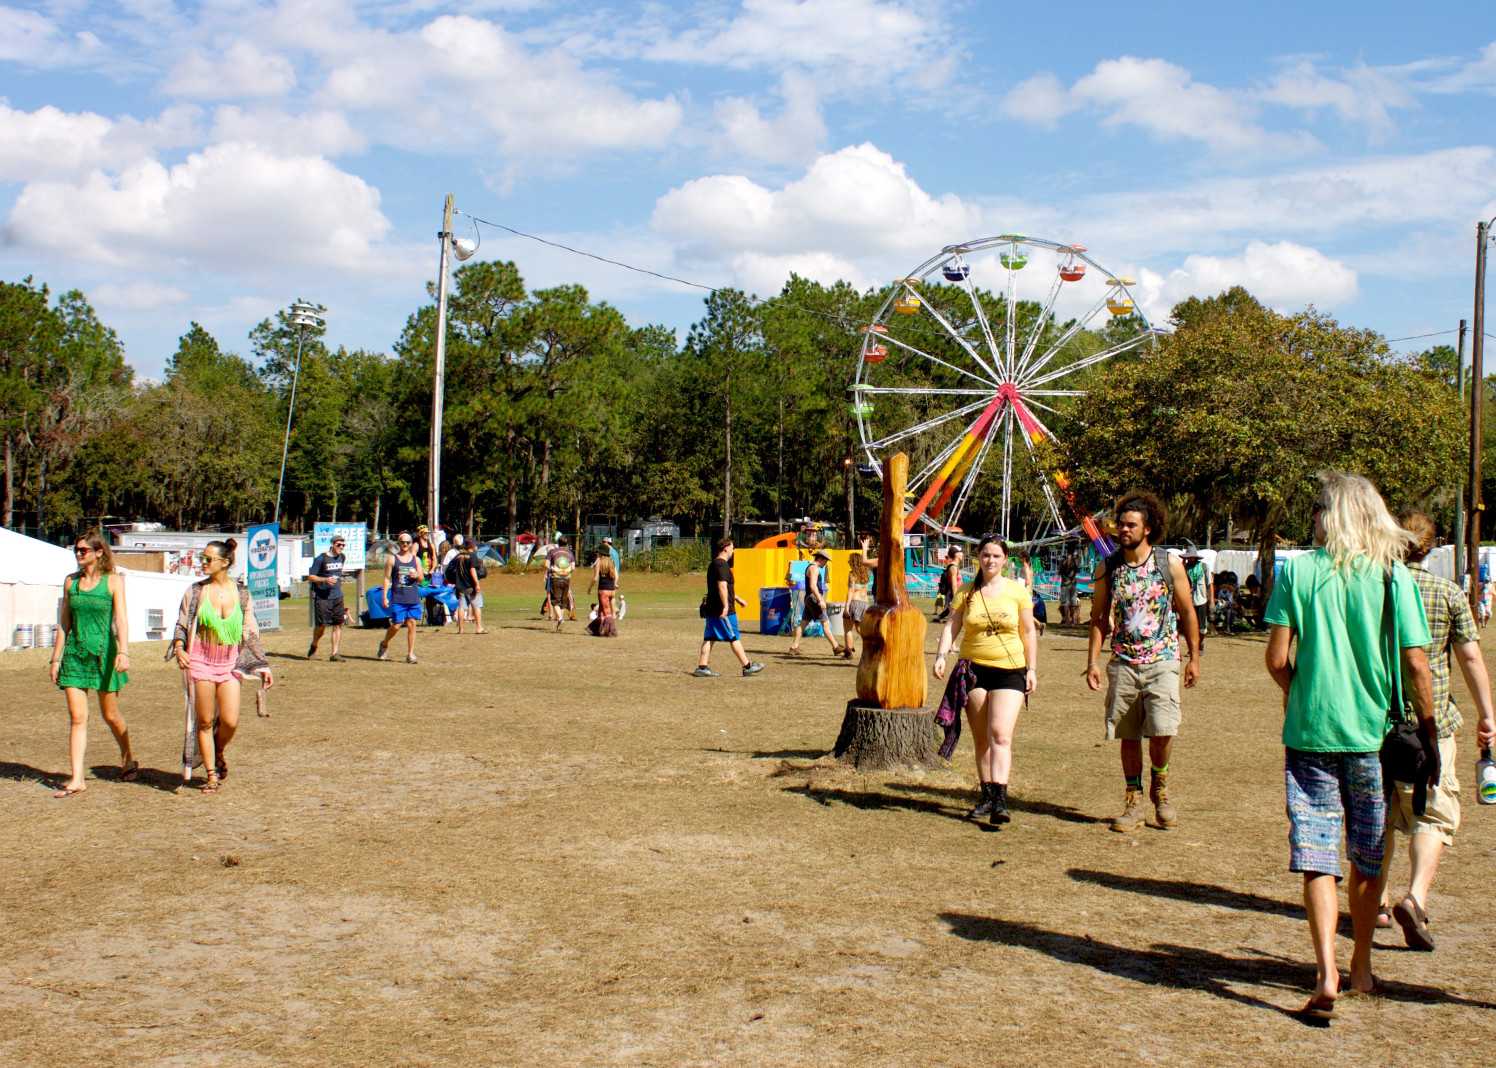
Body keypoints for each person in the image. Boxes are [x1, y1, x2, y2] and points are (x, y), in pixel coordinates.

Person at [1263, 472, 1435, 1019]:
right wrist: (1427, 726)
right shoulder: (1393, 577)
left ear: (1330, 515)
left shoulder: (1299, 571)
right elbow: (1415, 663)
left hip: (1310, 731)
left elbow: (1275, 658)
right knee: (1367, 854)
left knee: (1316, 854)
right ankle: (1360, 964)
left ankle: (1324, 970)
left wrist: (1302, 692)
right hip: (1374, 736)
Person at [1376, 512, 1496, 951]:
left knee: (1381, 817)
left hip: (1377, 722)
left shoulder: (1373, 590)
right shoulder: (1447, 592)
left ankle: (1380, 903)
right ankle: (1416, 897)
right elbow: (1469, 659)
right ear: (1429, 547)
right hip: (1432, 723)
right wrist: (1488, 715)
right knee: (1434, 814)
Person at [1086, 491, 1201, 832]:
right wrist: (1092, 661)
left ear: (1147, 529)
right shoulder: (1108, 567)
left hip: (1163, 660)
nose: (1123, 529)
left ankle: (1160, 789)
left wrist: (1194, 657)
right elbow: (1098, 617)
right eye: (1120, 524)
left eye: (1130, 525)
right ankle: (1133, 800)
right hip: (1123, 662)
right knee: (1128, 734)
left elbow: (1187, 611)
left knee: (1163, 731)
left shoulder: (1169, 563)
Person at [934, 535, 1038, 826]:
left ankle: (1001, 800)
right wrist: (942, 655)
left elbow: (1028, 631)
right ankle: (986, 794)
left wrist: (1031, 669)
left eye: (995, 556)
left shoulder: (1017, 591)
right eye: (985, 555)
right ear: (977, 558)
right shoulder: (967, 592)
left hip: (1010, 669)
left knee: (1000, 734)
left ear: (1005, 560)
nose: (990, 560)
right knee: (982, 739)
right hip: (973, 670)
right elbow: (952, 625)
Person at [169, 539, 273, 794]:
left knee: (230, 721)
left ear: (225, 563)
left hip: (229, 663)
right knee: (204, 721)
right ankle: (211, 774)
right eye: (202, 558)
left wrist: (263, 665)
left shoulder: (242, 593)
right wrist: (180, 649)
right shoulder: (195, 592)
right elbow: (182, 626)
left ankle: (219, 748)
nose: (202, 563)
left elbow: (250, 633)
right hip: (201, 661)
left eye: (207, 559)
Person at [48, 529, 136, 797]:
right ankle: (77, 778)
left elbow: (120, 619)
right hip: (75, 655)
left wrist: (124, 651)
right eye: (76, 550)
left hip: (104, 654)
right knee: (77, 717)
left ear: (99, 553)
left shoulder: (113, 582)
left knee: (110, 715)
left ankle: (128, 756)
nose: (78, 554)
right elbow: (65, 622)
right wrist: (56, 657)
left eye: (83, 550)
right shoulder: (70, 582)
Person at [694, 538, 763, 677]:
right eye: (732, 547)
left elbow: (722, 588)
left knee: (709, 637)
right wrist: (726, 606)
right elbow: (722, 586)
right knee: (734, 637)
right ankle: (747, 666)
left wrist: (737, 599)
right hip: (723, 610)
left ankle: (702, 667)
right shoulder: (722, 565)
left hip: (712, 608)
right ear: (725, 548)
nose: (733, 550)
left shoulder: (713, 564)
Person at [379, 531, 424, 663]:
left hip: (412, 597)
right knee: (397, 625)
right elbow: (387, 578)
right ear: (398, 543)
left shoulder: (416, 560)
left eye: (407, 542)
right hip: (398, 597)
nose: (405, 544)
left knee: (412, 624)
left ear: (411, 544)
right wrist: (385, 597)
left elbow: (422, 579)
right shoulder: (393, 559)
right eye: (402, 542)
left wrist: (417, 575)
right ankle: (384, 643)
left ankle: (410, 654)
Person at [789, 549, 842, 657]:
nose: (826, 563)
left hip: (809, 598)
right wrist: (820, 600)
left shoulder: (810, 567)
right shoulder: (814, 568)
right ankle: (836, 647)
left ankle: (794, 647)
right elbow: (813, 586)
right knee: (825, 623)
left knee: (803, 623)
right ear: (821, 559)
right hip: (814, 599)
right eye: (826, 561)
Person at [307, 534, 348, 661]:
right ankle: (314, 645)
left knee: (338, 624)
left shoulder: (342, 557)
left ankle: (334, 653)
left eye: (343, 545)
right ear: (332, 544)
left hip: (337, 596)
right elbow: (311, 577)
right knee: (322, 626)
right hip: (323, 597)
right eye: (338, 545)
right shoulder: (321, 558)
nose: (341, 547)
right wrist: (325, 579)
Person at [450, 542, 488, 635]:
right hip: (470, 586)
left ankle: (461, 629)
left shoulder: (459, 556)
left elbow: (452, 569)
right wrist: (477, 584)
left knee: (461, 607)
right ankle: (479, 628)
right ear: (472, 546)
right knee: (477, 605)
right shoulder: (472, 556)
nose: (476, 547)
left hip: (460, 585)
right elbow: (472, 570)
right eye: (475, 545)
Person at [842, 552, 873, 659]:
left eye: (850, 560)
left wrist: (846, 606)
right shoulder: (866, 574)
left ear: (853, 562)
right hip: (865, 603)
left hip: (854, 602)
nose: (848, 562)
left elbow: (851, 590)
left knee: (848, 629)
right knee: (861, 629)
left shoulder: (852, 574)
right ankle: (871, 647)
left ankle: (848, 652)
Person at [1184, 551, 1213, 650]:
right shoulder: (1185, 568)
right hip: (1189, 601)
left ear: (1195, 557)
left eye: (1191, 557)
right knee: (1190, 626)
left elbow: (1210, 584)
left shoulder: (1204, 567)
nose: (1189, 559)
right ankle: (1193, 648)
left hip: (1202, 600)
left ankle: (1200, 644)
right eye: (1187, 557)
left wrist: (1211, 600)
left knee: (1202, 627)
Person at [547, 536, 576, 632]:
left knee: (555, 601)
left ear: (558, 543)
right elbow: (573, 567)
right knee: (563, 602)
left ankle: (560, 618)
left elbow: (546, 565)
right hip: (567, 579)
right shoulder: (570, 553)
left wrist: (556, 569)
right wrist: (565, 571)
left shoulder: (552, 552)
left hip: (556, 578)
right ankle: (560, 623)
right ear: (566, 544)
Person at [588, 549, 619, 637]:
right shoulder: (611, 561)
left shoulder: (599, 562)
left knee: (606, 612)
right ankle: (597, 630)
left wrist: (590, 588)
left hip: (603, 590)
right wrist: (615, 584)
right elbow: (616, 575)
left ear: (600, 554)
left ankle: (611, 631)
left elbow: (595, 578)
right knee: (601, 611)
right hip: (611, 590)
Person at [934, 547, 963, 623]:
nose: (962, 554)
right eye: (961, 552)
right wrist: (955, 596)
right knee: (953, 608)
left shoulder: (955, 566)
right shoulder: (953, 567)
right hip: (954, 592)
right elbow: (954, 584)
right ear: (956, 554)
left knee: (950, 608)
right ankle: (940, 617)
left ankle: (939, 617)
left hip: (957, 592)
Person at [1057, 547, 1082, 627]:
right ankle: (1072, 621)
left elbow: (1059, 572)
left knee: (1067, 603)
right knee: (1071, 603)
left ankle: (1069, 621)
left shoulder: (1066, 560)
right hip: (1070, 584)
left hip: (1067, 584)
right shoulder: (1074, 560)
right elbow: (1077, 569)